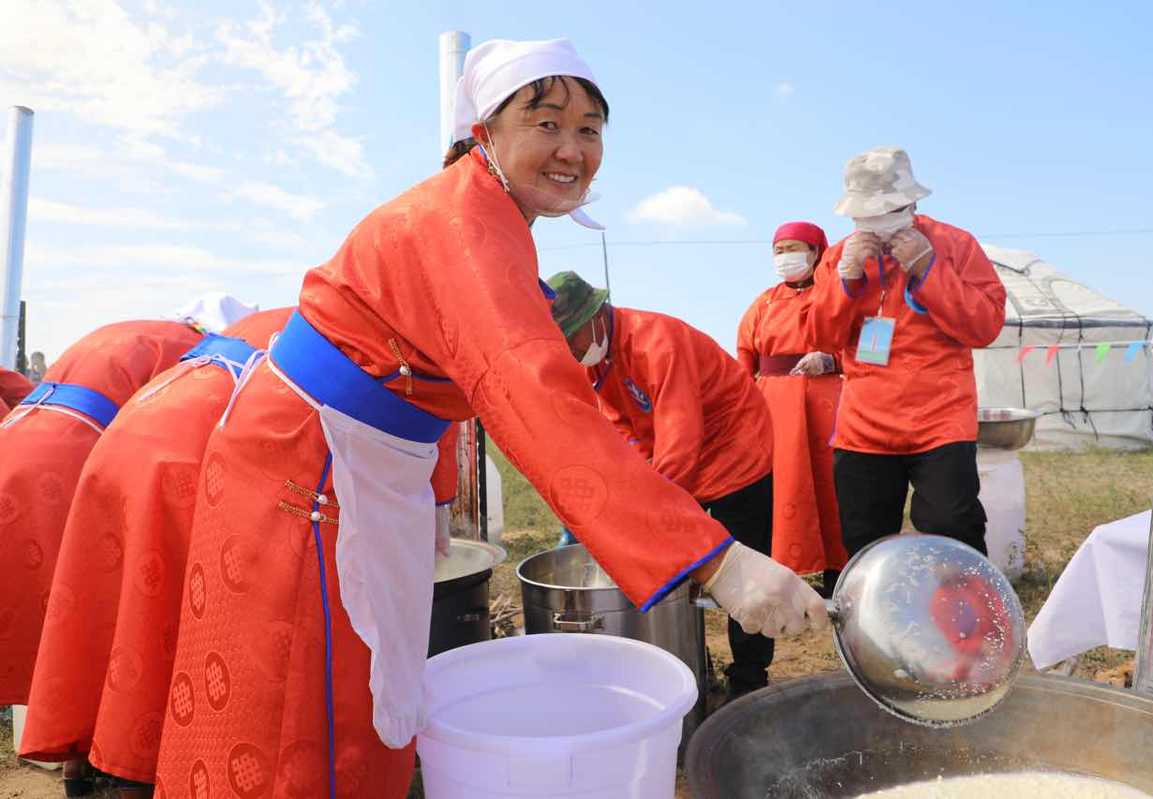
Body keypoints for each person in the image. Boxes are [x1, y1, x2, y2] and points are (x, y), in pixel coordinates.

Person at [154, 38, 826, 799]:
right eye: (546, 123)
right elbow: (539, 403)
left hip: (356, 461)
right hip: (311, 472)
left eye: (591, 129)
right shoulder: (466, 223)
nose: (572, 149)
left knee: (345, 698)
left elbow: (437, 387)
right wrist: (718, 560)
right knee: (294, 712)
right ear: (486, 131)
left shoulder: (490, 216)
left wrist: (435, 497)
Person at [18, 308, 293, 798]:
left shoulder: (165, 341)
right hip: (166, 460)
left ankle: (79, 768)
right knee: (165, 621)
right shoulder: (301, 335)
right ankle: (139, 770)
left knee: (99, 612)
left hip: (105, 447)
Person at [546, 270, 780, 697]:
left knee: (742, 565)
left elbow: (680, 434)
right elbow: (618, 429)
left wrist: (649, 509)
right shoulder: (596, 360)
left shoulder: (657, 343)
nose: (570, 349)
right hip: (677, 454)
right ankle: (688, 658)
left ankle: (750, 676)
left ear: (597, 317)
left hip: (735, 452)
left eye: (571, 336)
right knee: (676, 562)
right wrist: (624, 491)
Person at [802, 146, 1006, 557]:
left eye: (887, 210)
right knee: (864, 539)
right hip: (865, 426)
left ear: (912, 203)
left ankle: (961, 619)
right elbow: (820, 336)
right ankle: (873, 620)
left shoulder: (955, 244)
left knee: (953, 528)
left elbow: (985, 325)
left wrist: (928, 269)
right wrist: (847, 281)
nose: (876, 223)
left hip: (940, 420)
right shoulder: (840, 257)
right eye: (865, 214)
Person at [0, 319, 206, 712]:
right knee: (85, 605)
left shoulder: (121, 333)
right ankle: (77, 742)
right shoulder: (189, 354)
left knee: (18, 587)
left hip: (13, 437)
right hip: (74, 454)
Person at [737, 221, 848, 597]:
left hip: (828, 405)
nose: (786, 258)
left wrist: (833, 360)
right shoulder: (764, 302)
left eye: (795, 249)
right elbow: (743, 358)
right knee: (781, 488)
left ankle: (841, 575)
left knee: (833, 486)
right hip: (774, 408)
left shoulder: (839, 298)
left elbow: (870, 347)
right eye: (779, 250)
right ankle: (781, 576)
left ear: (818, 252)